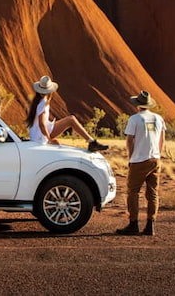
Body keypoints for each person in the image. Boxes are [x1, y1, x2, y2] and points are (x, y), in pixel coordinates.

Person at [116, 90, 165, 236]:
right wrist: (158, 155)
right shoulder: (158, 118)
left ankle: (133, 224)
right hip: (155, 159)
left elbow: (129, 140)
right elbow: (162, 139)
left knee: (133, 192)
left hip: (139, 160)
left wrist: (131, 158)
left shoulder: (134, 119)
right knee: (153, 193)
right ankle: (150, 226)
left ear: (138, 105)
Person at [25, 75, 109, 152]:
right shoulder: (43, 102)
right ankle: (92, 143)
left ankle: (92, 142)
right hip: (40, 136)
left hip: (37, 134)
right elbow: (41, 124)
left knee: (69, 121)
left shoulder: (36, 101)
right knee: (71, 119)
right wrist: (49, 139)